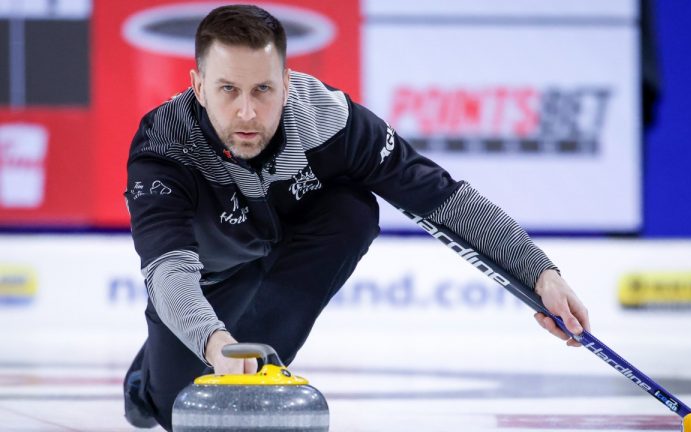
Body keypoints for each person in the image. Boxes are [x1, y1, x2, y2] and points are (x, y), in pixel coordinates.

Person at [123, 4, 591, 430]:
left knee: (353, 211)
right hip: (208, 275)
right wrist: (213, 342)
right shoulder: (164, 145)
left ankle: (260, 364)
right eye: (228, 90)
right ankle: (150, 378)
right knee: (173, 411)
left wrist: (541, 273)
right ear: (198, 87)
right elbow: (168, 270)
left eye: (263, 89)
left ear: (287, 83)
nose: (247, 112)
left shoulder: (331, 119)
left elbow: (445, 201)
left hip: (288, 248)